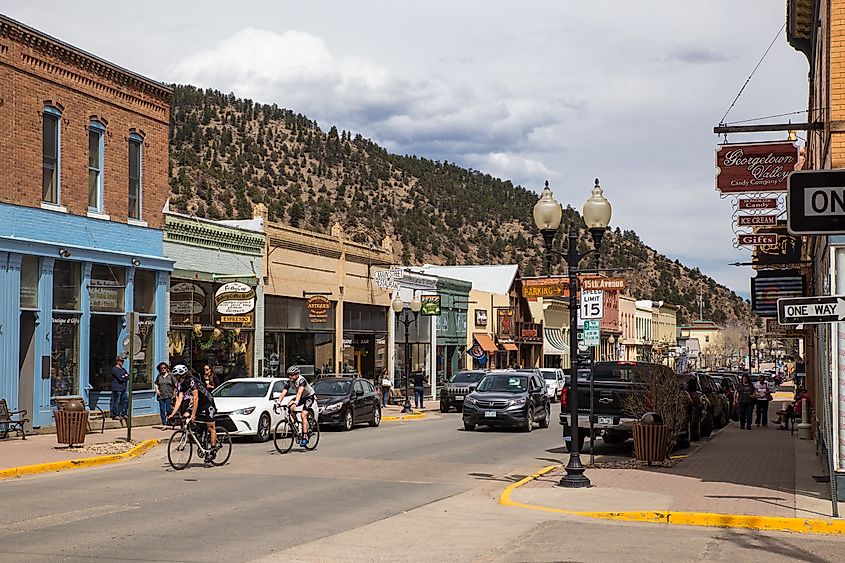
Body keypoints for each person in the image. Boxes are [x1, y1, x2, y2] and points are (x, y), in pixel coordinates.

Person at [168, 364, 219, 463]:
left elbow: (196, 398)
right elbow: (179, 399)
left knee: (210, 427)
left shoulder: (192, 380)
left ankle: (213, 450)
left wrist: (193, 415)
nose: (176, 378)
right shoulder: (182, 384)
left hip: (208, 403)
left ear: (181, 374)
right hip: (199, 404)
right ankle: (200, 435)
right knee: (185, 416)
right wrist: (172, 414)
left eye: (177, 376)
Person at [275, 366, 316, 447]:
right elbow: (283, 393)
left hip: (308, 397)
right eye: (289, 374)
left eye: (293, 375)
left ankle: (305, 437)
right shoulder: (289, 382)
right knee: (289, 407)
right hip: (301, 397)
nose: (291, 376)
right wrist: (278, 402)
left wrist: (296, 402)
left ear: (297, 375)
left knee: (303, 415)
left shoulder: (301, 380)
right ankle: (296, 424)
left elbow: (300, 393)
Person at [154, 362, 175, 427]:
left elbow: (175, 385)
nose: (163, 369)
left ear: (167, 368)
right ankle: (164, 424)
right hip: (161, 395)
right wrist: (157, 390)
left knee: (168, 409)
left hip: (169, 394)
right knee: (162, 410)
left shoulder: (170, 375)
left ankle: (171, 421)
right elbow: (156, 383)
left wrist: (174, 394)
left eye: (164, 368)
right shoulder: (159, 376)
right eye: (161, 368)